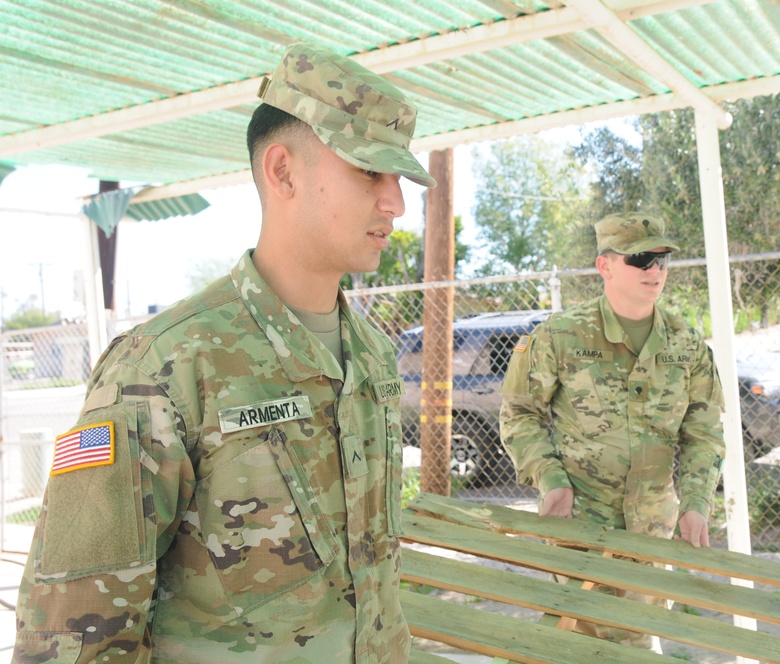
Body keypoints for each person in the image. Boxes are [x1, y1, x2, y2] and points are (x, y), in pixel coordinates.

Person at [13, 42, 435, 663]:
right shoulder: (163, 365)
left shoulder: (369, 354)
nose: (395, 202)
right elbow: (72, 638)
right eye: (370, 171)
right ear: (283, 171)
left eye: (398, 178)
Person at [499, 212, 726, 649]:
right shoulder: (560, 336)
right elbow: (520, 413)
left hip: (651, 533)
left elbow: (704, 433)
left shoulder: (686, 344)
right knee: (578, 645)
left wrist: (696, 502)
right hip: (581, 528)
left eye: (663, 260)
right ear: (605, 266)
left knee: (640, 641)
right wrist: (550, 480)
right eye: (641, 259)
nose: (656, 271)